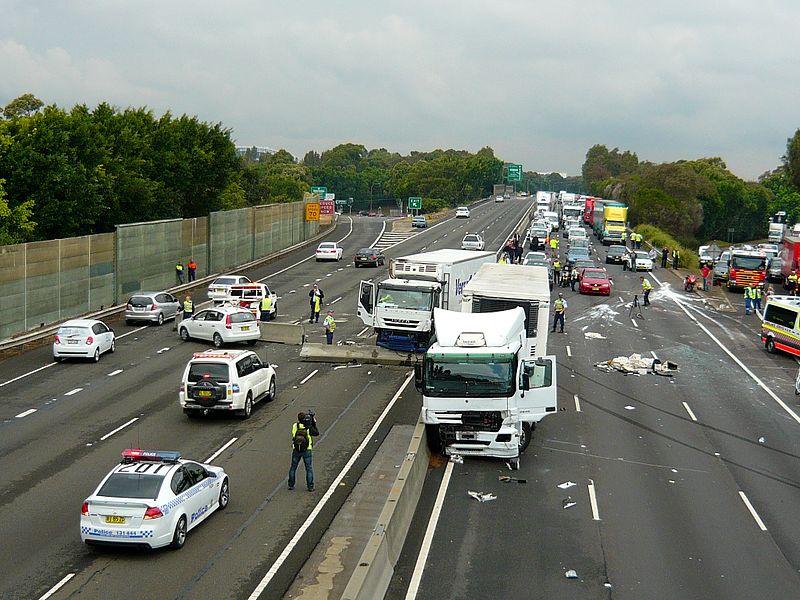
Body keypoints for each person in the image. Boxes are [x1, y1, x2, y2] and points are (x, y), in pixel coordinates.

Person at [288, 412, 320, 492]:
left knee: (293, 467)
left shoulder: (295, 426)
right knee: (308, 468)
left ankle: (291, 485)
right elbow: (316, 433)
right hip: (307, 450)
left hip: (296, 449)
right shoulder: (308, 427)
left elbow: (293, 435)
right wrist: (313, 423)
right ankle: (310, 486)